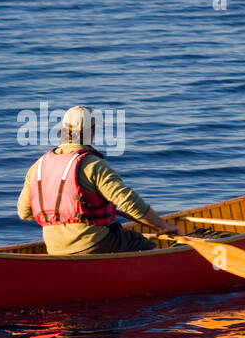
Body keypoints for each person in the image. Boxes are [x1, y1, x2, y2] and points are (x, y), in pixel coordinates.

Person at [17, 105, 181, 255]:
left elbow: (24, 213)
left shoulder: (38, 166)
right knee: (138, 242)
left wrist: (63, 217)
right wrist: (163, 226)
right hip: (93, 243)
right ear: (91, 132)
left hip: (54, 247)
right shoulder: (93, 165)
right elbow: (129, 201)